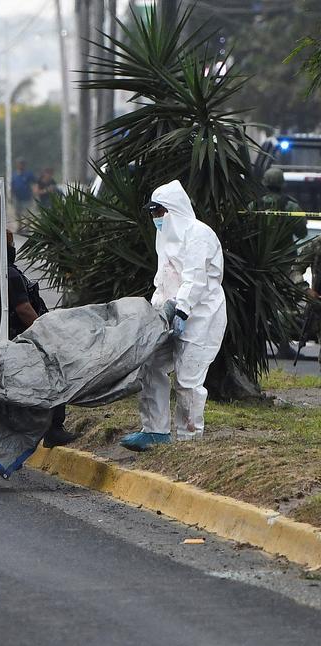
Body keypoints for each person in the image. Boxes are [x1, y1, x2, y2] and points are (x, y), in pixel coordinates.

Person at [120, 180, 226, 451]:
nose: (155, 218)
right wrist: (155, 312)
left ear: (172, 210)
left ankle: (190, 437)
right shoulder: (166, 238)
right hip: (171, 315)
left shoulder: (198, 234)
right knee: (151, 363)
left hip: (202, 317)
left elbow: (195, 279)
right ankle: (155, 431)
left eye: (158, 212)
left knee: (188, 379)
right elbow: (164, 279)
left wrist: (182, 310)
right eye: (153, 213)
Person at [0, 218, 76, 449]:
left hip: (2, 339)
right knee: (56, 373)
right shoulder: (10, 273)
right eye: (9, 243)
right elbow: (24, 310)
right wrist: (47, 336)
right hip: (22, 339)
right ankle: (54, 430)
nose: (12, 247)